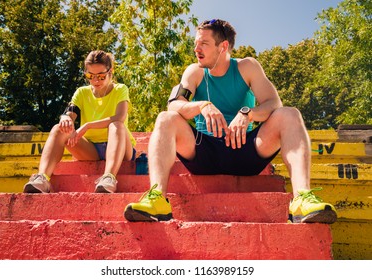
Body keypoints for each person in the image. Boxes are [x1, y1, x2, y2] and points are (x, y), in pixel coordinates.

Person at [123, 19, 337, 224]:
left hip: (244, 150)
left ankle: (301, 199)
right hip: (203, 151)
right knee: (165, 118)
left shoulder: (247, 67)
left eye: (204, 44)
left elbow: (274, 103)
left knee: (290, 114)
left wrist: (248, 114)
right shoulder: (194, 71)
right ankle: (157, 199)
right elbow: (174, 105)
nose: (197, 49)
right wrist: (202, 105)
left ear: (223, 46)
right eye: (196, 43)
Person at [23, 50, 136, 193]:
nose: (96, 81)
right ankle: (43, 178)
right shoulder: (82, 92)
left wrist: (88, 126)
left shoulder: (120, 89)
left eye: (101, 76)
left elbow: (119, 117)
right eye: (90, 76)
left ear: (110, 71)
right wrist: (65, 118)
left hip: (121, 147)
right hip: (91, 149)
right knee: (59, 128)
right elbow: (69, 114)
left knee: (117, 125)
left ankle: (109, 178)